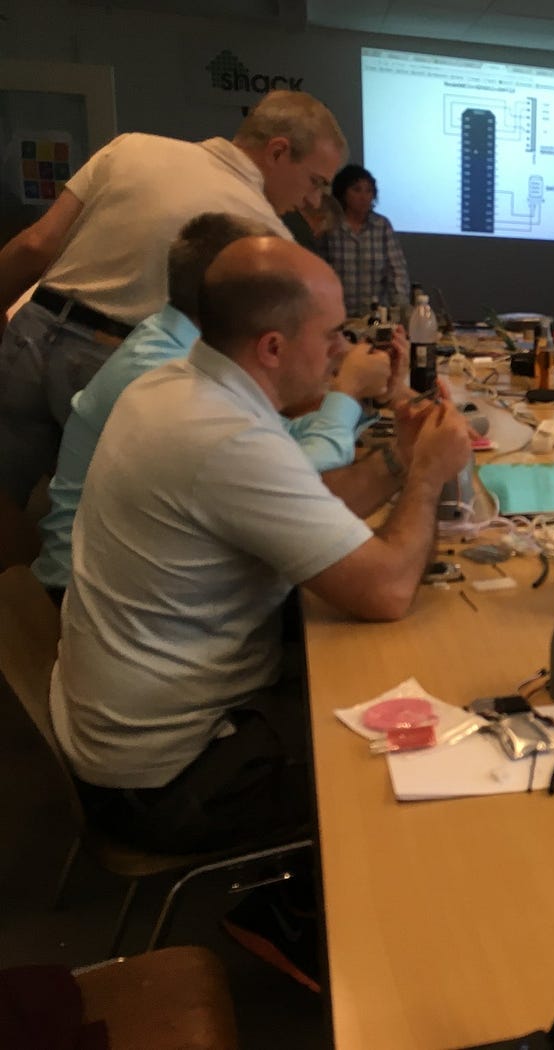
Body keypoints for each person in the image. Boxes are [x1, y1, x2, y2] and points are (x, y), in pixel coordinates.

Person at [50, 235, 473, 868]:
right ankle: (301, 930)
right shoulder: (224, 437)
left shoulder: (182, 383)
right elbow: (386, 592)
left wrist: (396, 459)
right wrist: (428, 479)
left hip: (128, 732)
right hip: (169, 779)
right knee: (439, 763)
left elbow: (303, 499)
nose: (344, 350)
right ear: (272, 347)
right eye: (332, 334)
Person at [0, 90, 347, 539]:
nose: (314, 200)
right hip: (111, 364)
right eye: (316, 182)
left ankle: (17, 601)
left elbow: (35, 246)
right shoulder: (265, 236)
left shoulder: (130, 147)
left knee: (6, 497)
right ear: (278, 151)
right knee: (93, 514)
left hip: (32, 330)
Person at [32, 212, 407, 598]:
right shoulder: (164, 378)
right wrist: (346, 395)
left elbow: (278, 444)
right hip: (76, 588)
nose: (341, 347)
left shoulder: (189, 358)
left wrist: (363, 403)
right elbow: (294, 483)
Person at [321, 163, 410, 318]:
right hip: (337, 315)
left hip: (374, 317)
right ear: (343, 193)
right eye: (356, 190)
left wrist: (400, 310)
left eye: (369, 191)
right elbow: (320, 269)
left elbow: (396, 271)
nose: (364, 197)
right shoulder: (330, 225)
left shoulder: (381, 225)